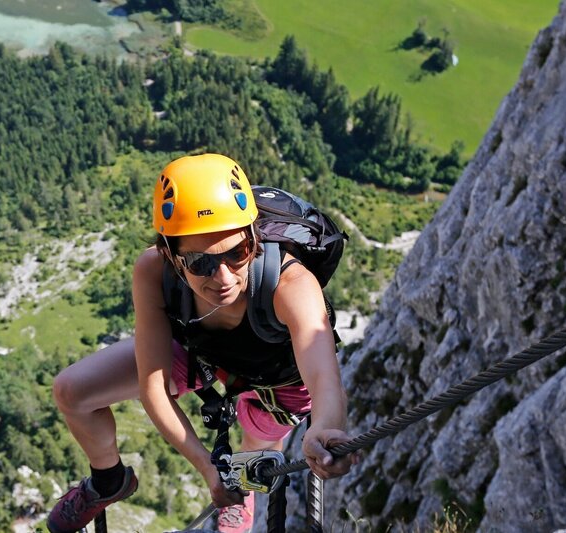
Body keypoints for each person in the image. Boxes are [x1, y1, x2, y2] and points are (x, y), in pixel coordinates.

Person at [48, 153, 358, 533]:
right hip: (203, 356)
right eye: (201, 263)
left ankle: (242, 496)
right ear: (171, 256)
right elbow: (154, 388)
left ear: (253, 238)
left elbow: (325, 377)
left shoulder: (291, 285)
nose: (224, 277)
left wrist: (326, 428)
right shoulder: (153, 271)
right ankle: (109, 481)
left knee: (256, 446)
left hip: (280, 381)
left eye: (237, 253)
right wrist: (207, 467)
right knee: (72, 391)